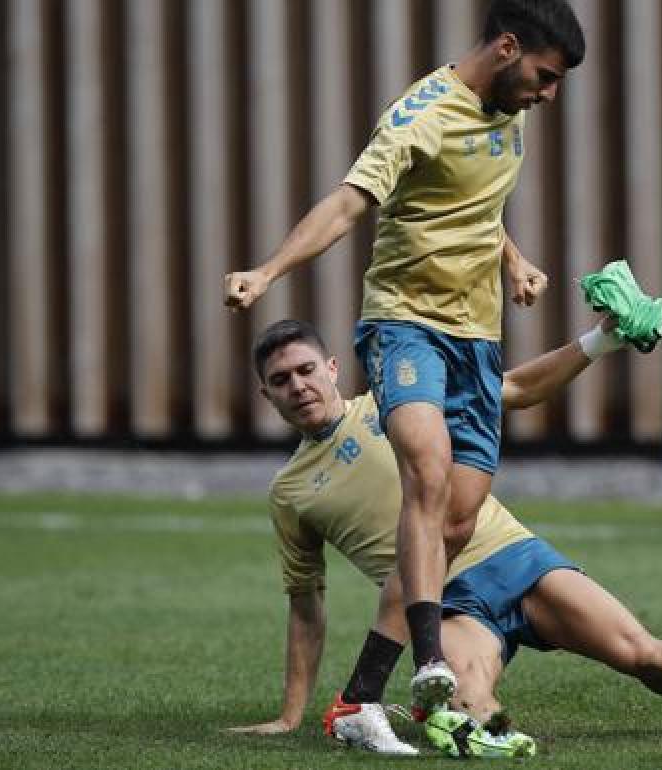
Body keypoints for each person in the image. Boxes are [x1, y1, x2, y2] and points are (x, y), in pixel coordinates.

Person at [224, 0, 585, 715]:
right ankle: (430, 665)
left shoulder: (510, 112)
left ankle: (360, 695)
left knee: (456, 517)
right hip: (404, 323)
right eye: (545, 77)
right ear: (508, 48)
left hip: (475, 336)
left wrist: (512, 259)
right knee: (426, 463)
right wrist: (268, 272)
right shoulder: (416, 116)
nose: (549, 95)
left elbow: (470, 204)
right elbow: (349, 203)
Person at [223, 318, 662, 756]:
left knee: (642, 654)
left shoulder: (397, 400)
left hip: (514, 559)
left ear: (332, 368)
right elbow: (305, 606)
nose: (298, 385)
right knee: (470, 709)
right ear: (267, 396)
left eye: (306, 370)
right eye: (281, 380)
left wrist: (599, 339)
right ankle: (500, 735)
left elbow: (519, 389)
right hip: (447, 605)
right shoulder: (289, 492)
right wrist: (290, 716)